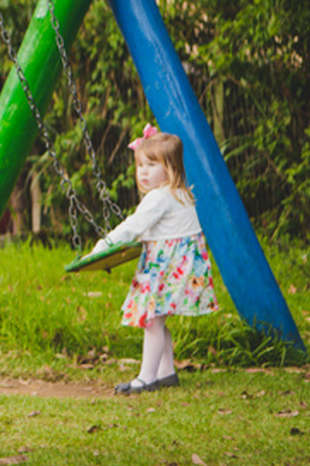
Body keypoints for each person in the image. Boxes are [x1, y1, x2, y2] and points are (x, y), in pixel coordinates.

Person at [90, 124, 218, 394]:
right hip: (179, 266)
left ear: (170, 168)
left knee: (151, 320)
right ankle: (166, 372)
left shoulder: (159, 198)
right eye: (140, 165)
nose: (143, 172)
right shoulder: (181, 194)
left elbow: (133, 227)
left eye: (151, 164)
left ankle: (146, 378)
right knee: (157, 320)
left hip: (166, 266)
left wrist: (103, 246)